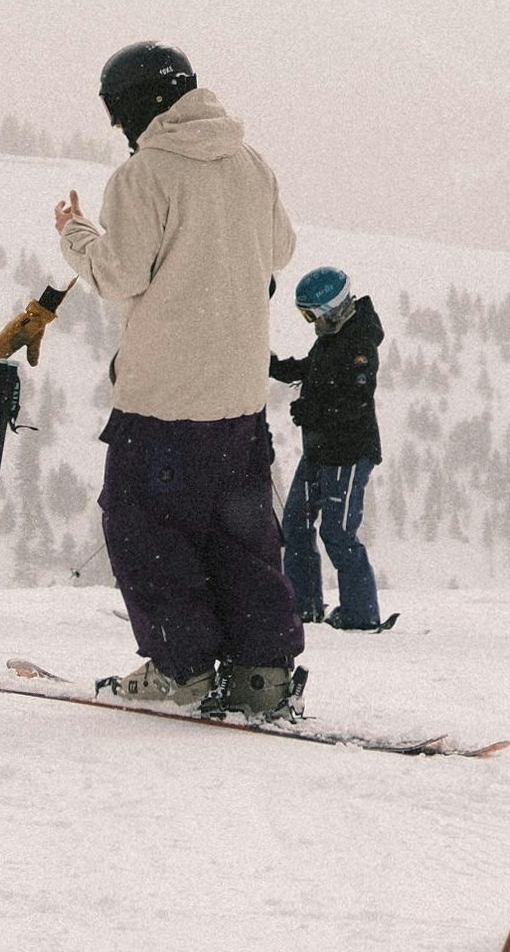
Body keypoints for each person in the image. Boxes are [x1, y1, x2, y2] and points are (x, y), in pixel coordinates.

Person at [47, 41, 302, 718]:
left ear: (139, 104)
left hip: (162, 401)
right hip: (239, 399)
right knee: (242, 538)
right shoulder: (251, 164)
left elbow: (119, 274)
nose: (118, 127)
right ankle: (262, 674)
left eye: (117, 112)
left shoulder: (143, 176)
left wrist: (75, 235)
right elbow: (281, 250)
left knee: (147, 533)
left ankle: (181, 669)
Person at [271, 265, 387, 631]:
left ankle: (361, 614)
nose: (311, 323)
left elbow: (357, 401)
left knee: (337, 533)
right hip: (319, 450)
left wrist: (314, 411)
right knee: (296, 525)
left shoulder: (359, 342)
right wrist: (273, 367)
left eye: (311, 315)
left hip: (348, 454)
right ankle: (303, 607)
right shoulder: (333, 337)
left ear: (331, 308)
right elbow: (313, 368)